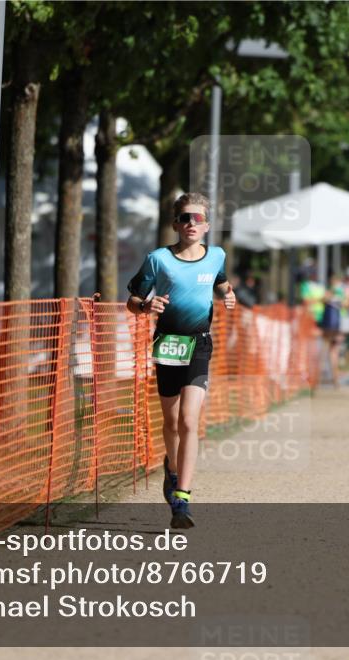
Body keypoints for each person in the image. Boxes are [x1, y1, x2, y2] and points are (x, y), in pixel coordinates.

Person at [126, 192, 235, 529]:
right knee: (171, 422)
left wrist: (228, 295)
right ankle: (171, 469)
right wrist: (146, 306)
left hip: (200, 344)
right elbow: (132, 300)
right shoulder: (158, 259)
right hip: (168, 344)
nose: (191, 223)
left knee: (189, 420)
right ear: (175, 224)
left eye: (198, 218)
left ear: (207, 226)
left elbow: (221, 281)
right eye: (185, 218)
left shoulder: (216, 255)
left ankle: (182, 498)